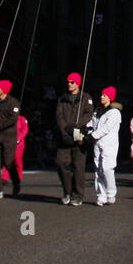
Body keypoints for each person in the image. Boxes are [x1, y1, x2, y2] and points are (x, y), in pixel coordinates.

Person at [55, 72, 95, 205]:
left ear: (78, 83)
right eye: (68, 82)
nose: (69, 84)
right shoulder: (62, 99)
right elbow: (59, 116)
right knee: (61, 163)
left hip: (79, 136)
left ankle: (77, 195)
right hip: (64, 137)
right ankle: (67, 191)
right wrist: (65, 130)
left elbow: (89, 114)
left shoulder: (86, 97)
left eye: (72, 82)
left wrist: (76, 126)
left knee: (78, 167)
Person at [89, 87, 122, 205]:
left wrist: (93, 135)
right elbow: (92, 124)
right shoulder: (97, 111)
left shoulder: (114, 112)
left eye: (104, 95)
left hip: (109, 144)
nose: (101, 97)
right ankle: (100, 195)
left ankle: (111, 193)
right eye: (102, 95)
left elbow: (106, 128)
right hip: (97, 144)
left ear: (110, 97)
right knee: (98, 170)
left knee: (107, 168)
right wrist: (85, 130)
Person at [0, 79, 20, 198]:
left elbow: (13, 119)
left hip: (9, 137)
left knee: (8, 162)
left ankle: (16, 183)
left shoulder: (13, 103)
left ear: (4, 90)